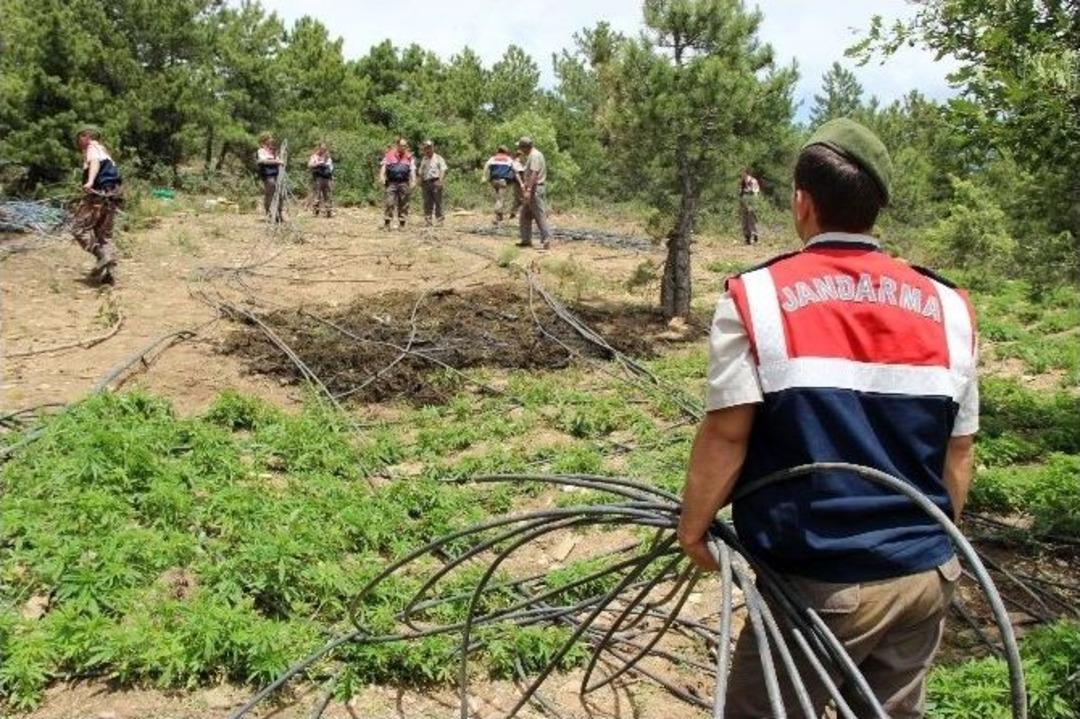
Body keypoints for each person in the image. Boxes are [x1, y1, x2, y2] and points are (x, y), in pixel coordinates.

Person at [677, 118, 977, 718]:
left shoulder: (757, 297)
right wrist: (920, 544)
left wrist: (694, 528)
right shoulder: (949, 306)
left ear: (801, 202)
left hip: (821, 582)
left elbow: (727, 433)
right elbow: (958, 453)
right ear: (877, 209)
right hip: (925, 578)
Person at [71, 126, 122, 284]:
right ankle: (109, 276)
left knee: (78, 229)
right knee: (104, 235)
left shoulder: (92, 148)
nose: (78, 142)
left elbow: (94, 163)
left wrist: (90, 181)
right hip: (112, 196)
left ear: (86, 136)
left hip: (97, 195)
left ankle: (102, 256)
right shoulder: (105, 152)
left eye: (80, 138)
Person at [516, 137, 552, 249]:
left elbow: (534, 173)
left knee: (539, 215)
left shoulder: (535, 155)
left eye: (521, 147)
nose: (520, 149)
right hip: (532, 189)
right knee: (525, 215)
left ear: (526, 147)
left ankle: (546, 240)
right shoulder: (532, 155)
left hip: (535, 190)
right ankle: (526, 240)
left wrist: (528, 190)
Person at [380, 137, 416, 230]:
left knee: (404, 204)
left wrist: (414, 180)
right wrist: (382, 176)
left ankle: (402, 224)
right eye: (402, 145)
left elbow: (412, 170)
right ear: (398, 145)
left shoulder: (409, 156)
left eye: (405, 145)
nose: (404, 147)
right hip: (392, 182)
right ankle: (387, 223)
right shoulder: (389, 155)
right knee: (389, 202)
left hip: (404, 183)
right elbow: (384, 166)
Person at [483, 145, 517, 226]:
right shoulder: (508, 159)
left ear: (498, 150)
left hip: (493, 181)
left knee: (498, 197)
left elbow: (486, 166)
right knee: (500, 199)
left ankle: (500, 216)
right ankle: (496, 217)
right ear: (505, 151)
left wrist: (484, 176)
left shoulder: (493, 158)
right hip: (502, 181)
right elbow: (515, 169)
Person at [418, 139, 448, 227]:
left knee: (438, 202)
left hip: (435, 182)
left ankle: (439, 221)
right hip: (426, 182)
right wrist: (419, 180)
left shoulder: (438, 158)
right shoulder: (424, 159)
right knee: (427, 203)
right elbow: (421, 171)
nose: (427, 149)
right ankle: (428, 221)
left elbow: (443, 169)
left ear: (432, 148)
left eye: (429, 147)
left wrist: (440, 180)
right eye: (426, 148)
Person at [256, 133, 284, 223]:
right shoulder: (261, 151)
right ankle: (269, 214)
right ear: (264, 141)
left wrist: (278, 161)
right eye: (269, 139)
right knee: (270, 193)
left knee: (280, 193)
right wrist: (276, 161)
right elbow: (263, 161)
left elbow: (280, 160)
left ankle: (279, 213)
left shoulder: (273, 151)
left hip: (276, 173)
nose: (271, 140)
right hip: (268, 174)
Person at [307, 142, 334, 218]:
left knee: (327, 195)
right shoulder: (314, 156)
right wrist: (318, 164)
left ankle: (328, 212)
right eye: (322, 148)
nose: (323, 150)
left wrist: (326, 165)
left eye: (324, 149)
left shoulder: (328, 158)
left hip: (326, 178)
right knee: (317, 195)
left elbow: (331, 168)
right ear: (319, 148)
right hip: (318, 178)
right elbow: (309, 165)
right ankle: (316, 212)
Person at [739, 168, 760, 244]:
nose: (741, 174)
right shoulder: (742, 182)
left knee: (752, 221)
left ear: (746, 173)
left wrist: (752, 204)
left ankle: (755, 236)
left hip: (751, 203)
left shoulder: (753, 181)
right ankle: (747, 238)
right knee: (744, 221)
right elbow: (740, 193)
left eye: (742, 173)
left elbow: (755, 193)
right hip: (744, 203)